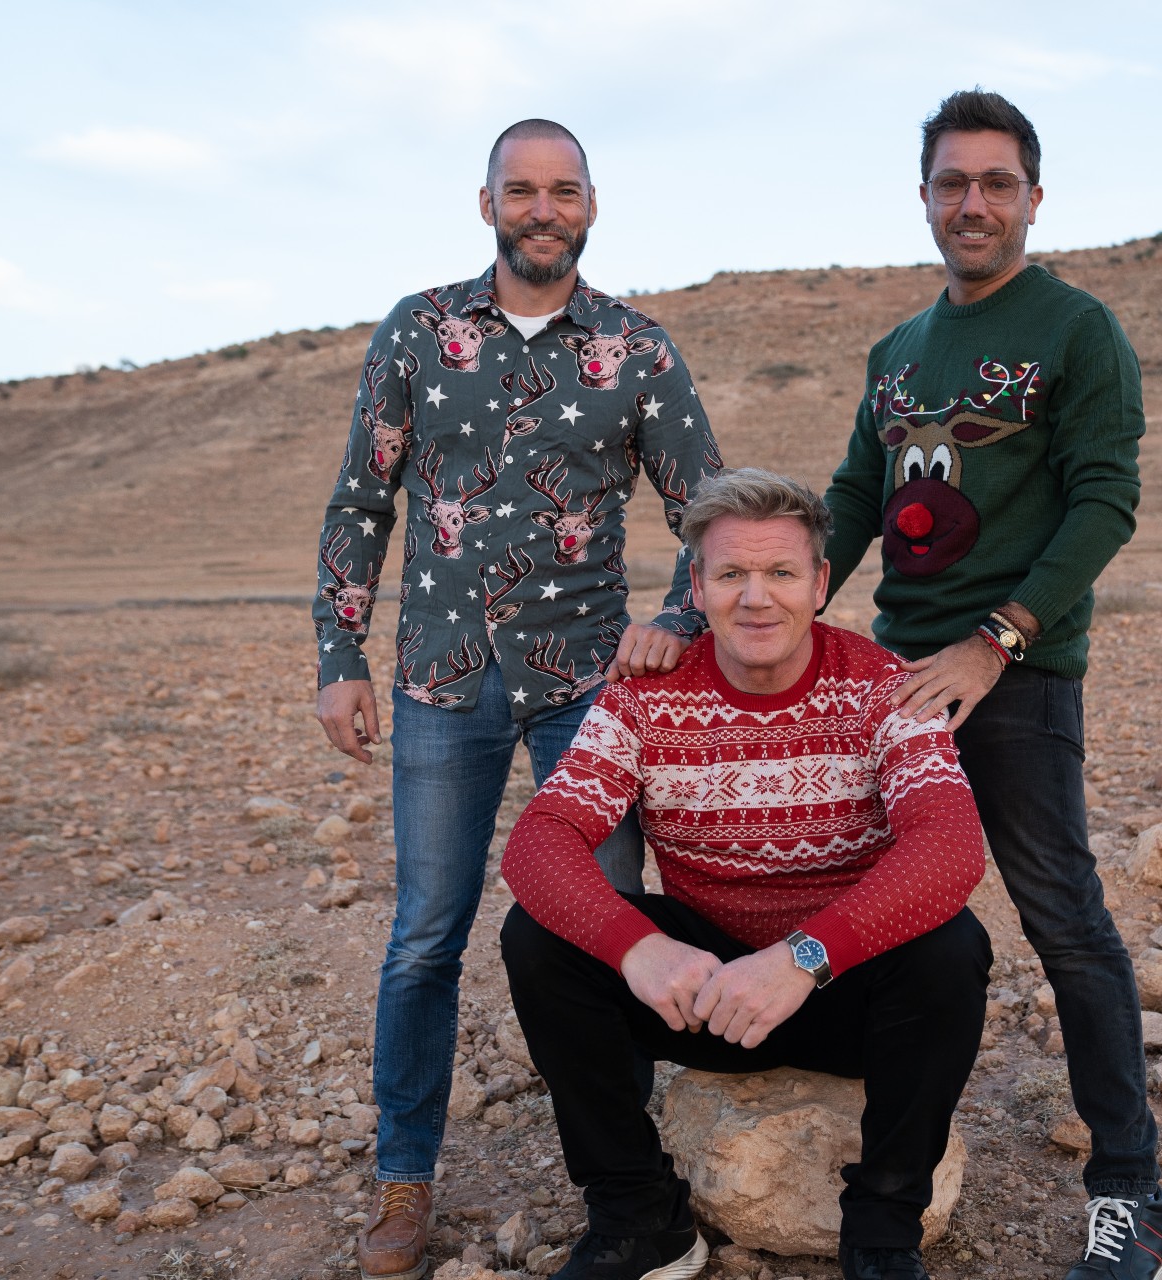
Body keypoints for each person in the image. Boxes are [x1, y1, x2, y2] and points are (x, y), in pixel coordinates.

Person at [310, 118, 721, 1280]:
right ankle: (404, 1175)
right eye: (521, 190)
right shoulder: (418, 330)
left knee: (601, 925)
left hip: (592, 686)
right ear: (485, 201)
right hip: (442, 678)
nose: (543, 208)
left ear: (592, 205)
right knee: (425, 934)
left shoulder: (639, 350)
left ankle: (629, 1188)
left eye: (564, 191)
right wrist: (337, 654)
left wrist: (678, 619)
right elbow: (359, 505)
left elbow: (715, 512)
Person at [821, 90, 1162, 1280]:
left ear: (1034, 194)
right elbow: (858, 503)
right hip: (893, 676)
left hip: (1013, 676)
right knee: (880, 919)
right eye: (950, 183)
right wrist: (763, 604)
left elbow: (1104, 503)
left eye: (996, 182)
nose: (972, 203)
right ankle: (877, 1175)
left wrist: (997, 640)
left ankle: (1132, 1190)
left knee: (1063, 919)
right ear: (923, 195)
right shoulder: (899, 352)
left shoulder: (1077, 330)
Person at [499, 469, 993, 1280]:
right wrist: (638, 949)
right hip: (709, 994)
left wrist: (804, 957)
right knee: (538, 938)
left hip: (845, 992)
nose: (756, 598)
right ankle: (639, 1217)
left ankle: (881, 1232)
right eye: (731, 574)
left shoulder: (884, 687)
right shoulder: (642, 703)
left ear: (821, 583)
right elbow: (541, 839)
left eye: (781, 573)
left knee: (951, 946)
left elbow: (949, 847)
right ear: (697, 586)